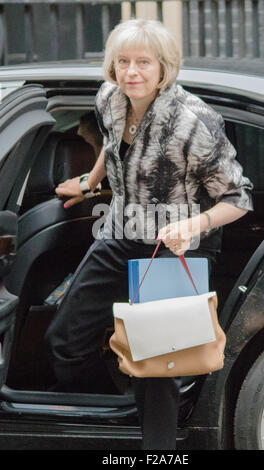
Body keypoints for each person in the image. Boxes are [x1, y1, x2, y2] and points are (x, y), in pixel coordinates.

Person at [45, 19, 253, 450]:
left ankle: (156, 450)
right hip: (120, 232)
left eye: (143, 62)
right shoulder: (109, 98)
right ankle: (121, 408)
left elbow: (239, 198)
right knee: (65, 340)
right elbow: (110, 143)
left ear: (164, 68)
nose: (131, 72)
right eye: (122, 62)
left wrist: (191, 225)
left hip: (175, 246)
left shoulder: (194, 123)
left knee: (156, 362)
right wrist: (88, 182)